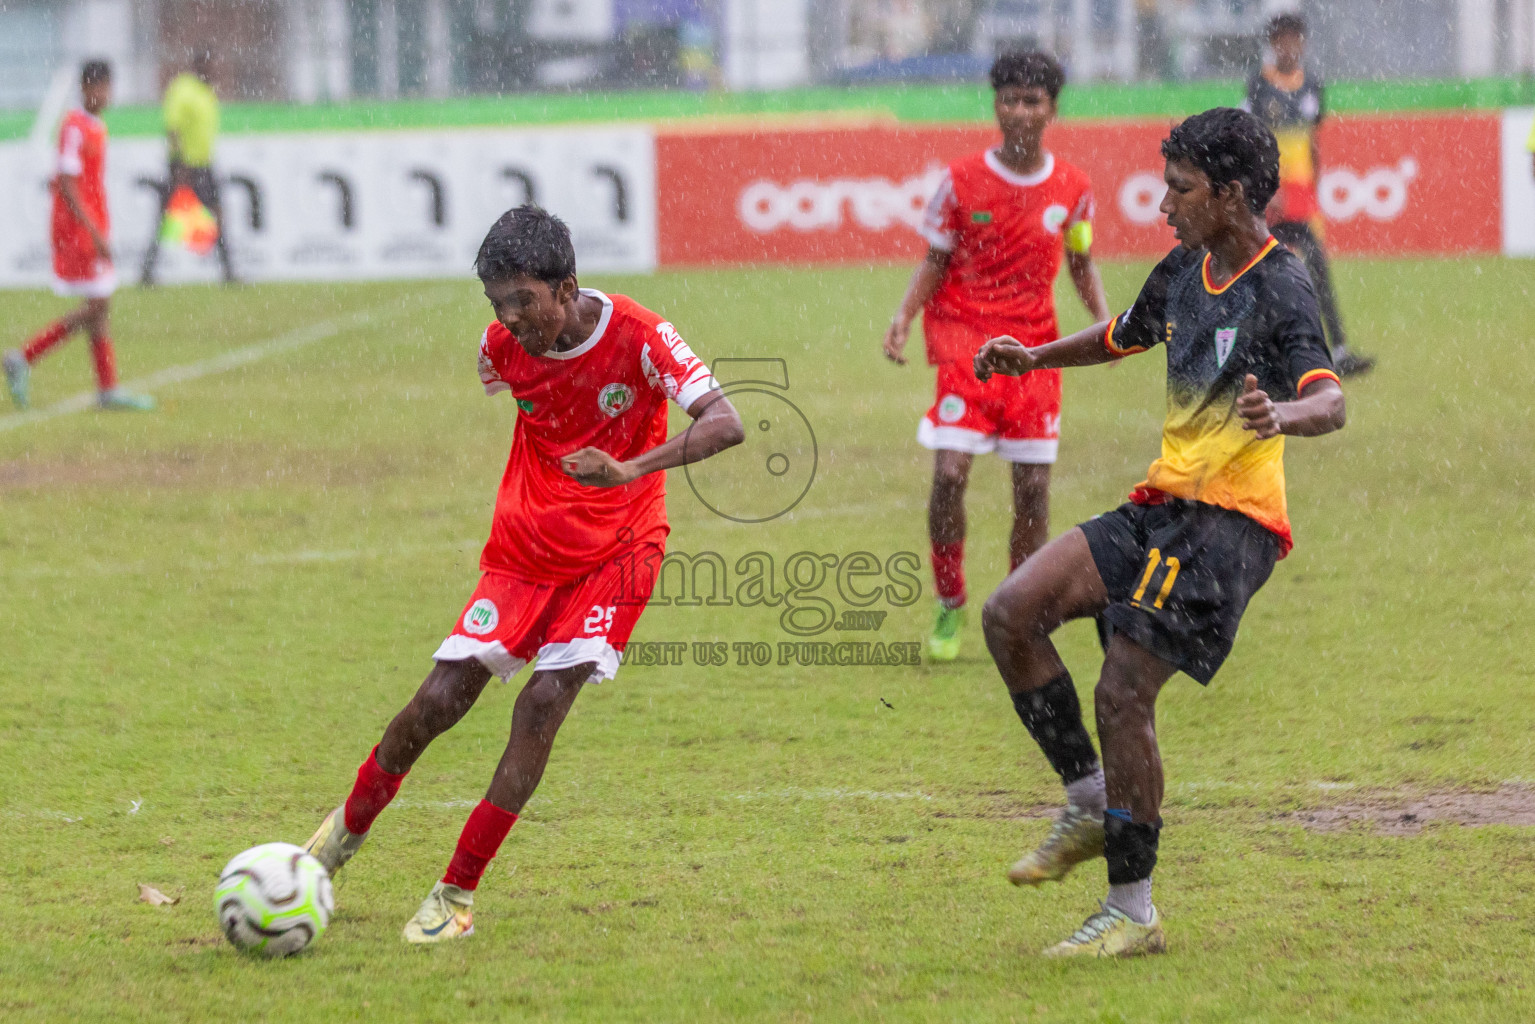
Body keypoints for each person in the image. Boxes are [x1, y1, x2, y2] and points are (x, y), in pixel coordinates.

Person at [301, 205, 743, 944]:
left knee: (540, 704)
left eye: (522, 302)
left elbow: (725, 422)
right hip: (524, 550)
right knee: (436, 702)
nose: (508, 320)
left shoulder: (639, 335)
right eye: (496, 304)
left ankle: (455, 895)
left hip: (618, 548)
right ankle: (338, 841)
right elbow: (511, 379)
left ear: (566, 288)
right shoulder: (500, 348)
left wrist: (628, 468)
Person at [973, 107, 1345, 957]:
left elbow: (1331, 397)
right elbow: (1120, 335)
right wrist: (1032, 357)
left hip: (1232, 526)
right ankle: (1087, 799)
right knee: (1011, 613)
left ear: (1230, 193)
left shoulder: (1281, 280)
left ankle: (1131, 910)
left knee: (1120, 692)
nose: (1161, 204)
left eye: (1178, 189)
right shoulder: (1183, 266)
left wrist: (1280, 412)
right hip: (1162, 504)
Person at [882, 50, 1110, 663]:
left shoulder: (1074, 190)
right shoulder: (959, 181)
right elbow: (935, 260)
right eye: (1008, 98)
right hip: (967, 346)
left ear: (1052, 109)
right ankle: (951, 599)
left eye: (1032, 100)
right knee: (950, 473)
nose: (1019, 111)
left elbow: (1081, 263)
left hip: (1035, 354)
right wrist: (903, 317)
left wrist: (1104, 322)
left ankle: (1020, 606)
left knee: (1033, 490)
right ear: (995, 104)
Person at [3, 61, 154, 412]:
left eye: (109, 89)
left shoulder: (95, 125)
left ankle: (107, 388)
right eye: (102, 88)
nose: (107, 96)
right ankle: (23, 357)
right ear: (87, 88)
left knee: (100, 306)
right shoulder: (74, 127)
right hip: (76, 231)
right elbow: (67, 184)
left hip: (90, 226)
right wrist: (93, 229)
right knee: (97, 305)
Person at [1245, 13, 1373, 376]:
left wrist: (1315, 187)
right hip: (1272, 199)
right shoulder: (1258, 85)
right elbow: (1252, 141)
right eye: (1282, 40)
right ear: (1272, 44)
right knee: (1265, 274)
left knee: (1317, 268)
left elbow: (1314, 140)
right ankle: (1262, 352)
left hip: (1302, 198)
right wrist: (1264, 189)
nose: (1289, 47)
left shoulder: (1313, 85)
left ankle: (1340, 351)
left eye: (1295, 40)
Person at [139, 49, 236, 286]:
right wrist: (180, 163)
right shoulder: (183, 89)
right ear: (200, 65)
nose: (215, 70)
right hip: (184, 165)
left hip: (204, 164)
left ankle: (228, 271)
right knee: (166, 218)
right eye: (211, 65)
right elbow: (172, 127)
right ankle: (147, 272)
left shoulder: (207, 92)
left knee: (217, 215)